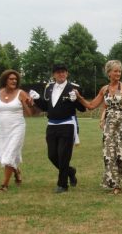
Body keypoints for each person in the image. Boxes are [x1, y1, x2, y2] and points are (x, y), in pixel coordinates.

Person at [75, 60, 122, 195]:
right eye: (115, 71)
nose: (118, 73)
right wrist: (79, 98)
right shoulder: (104, 89)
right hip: (109, 126)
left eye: (120, 71)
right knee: (109, 155)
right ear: (108, 73)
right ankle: (116, 185)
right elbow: (91, 106)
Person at [31, 63, 86, 193]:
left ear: (67, 73)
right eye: (58, 72)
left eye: (63, 71)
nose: (61, 74)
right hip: (51, 125)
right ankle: (70, 171)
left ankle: (62, 184)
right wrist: (37, 99)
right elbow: (46, 107)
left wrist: (76, 100)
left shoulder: (74, 88)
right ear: (53, 75)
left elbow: (82, 109)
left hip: (67, 125)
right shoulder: (49, 87)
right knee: (52, 155)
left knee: (63, 156)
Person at [0, 69, 33, 191]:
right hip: (1, 130)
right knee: (3, 155)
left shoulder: (21, 93)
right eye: (11, 79)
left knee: (9, 155)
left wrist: (28, 103)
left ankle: (4, 185)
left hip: (17, 128)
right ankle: (16, 171)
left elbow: (29, 113)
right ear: (5, 80)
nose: (14, 81)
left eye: (16, 79)